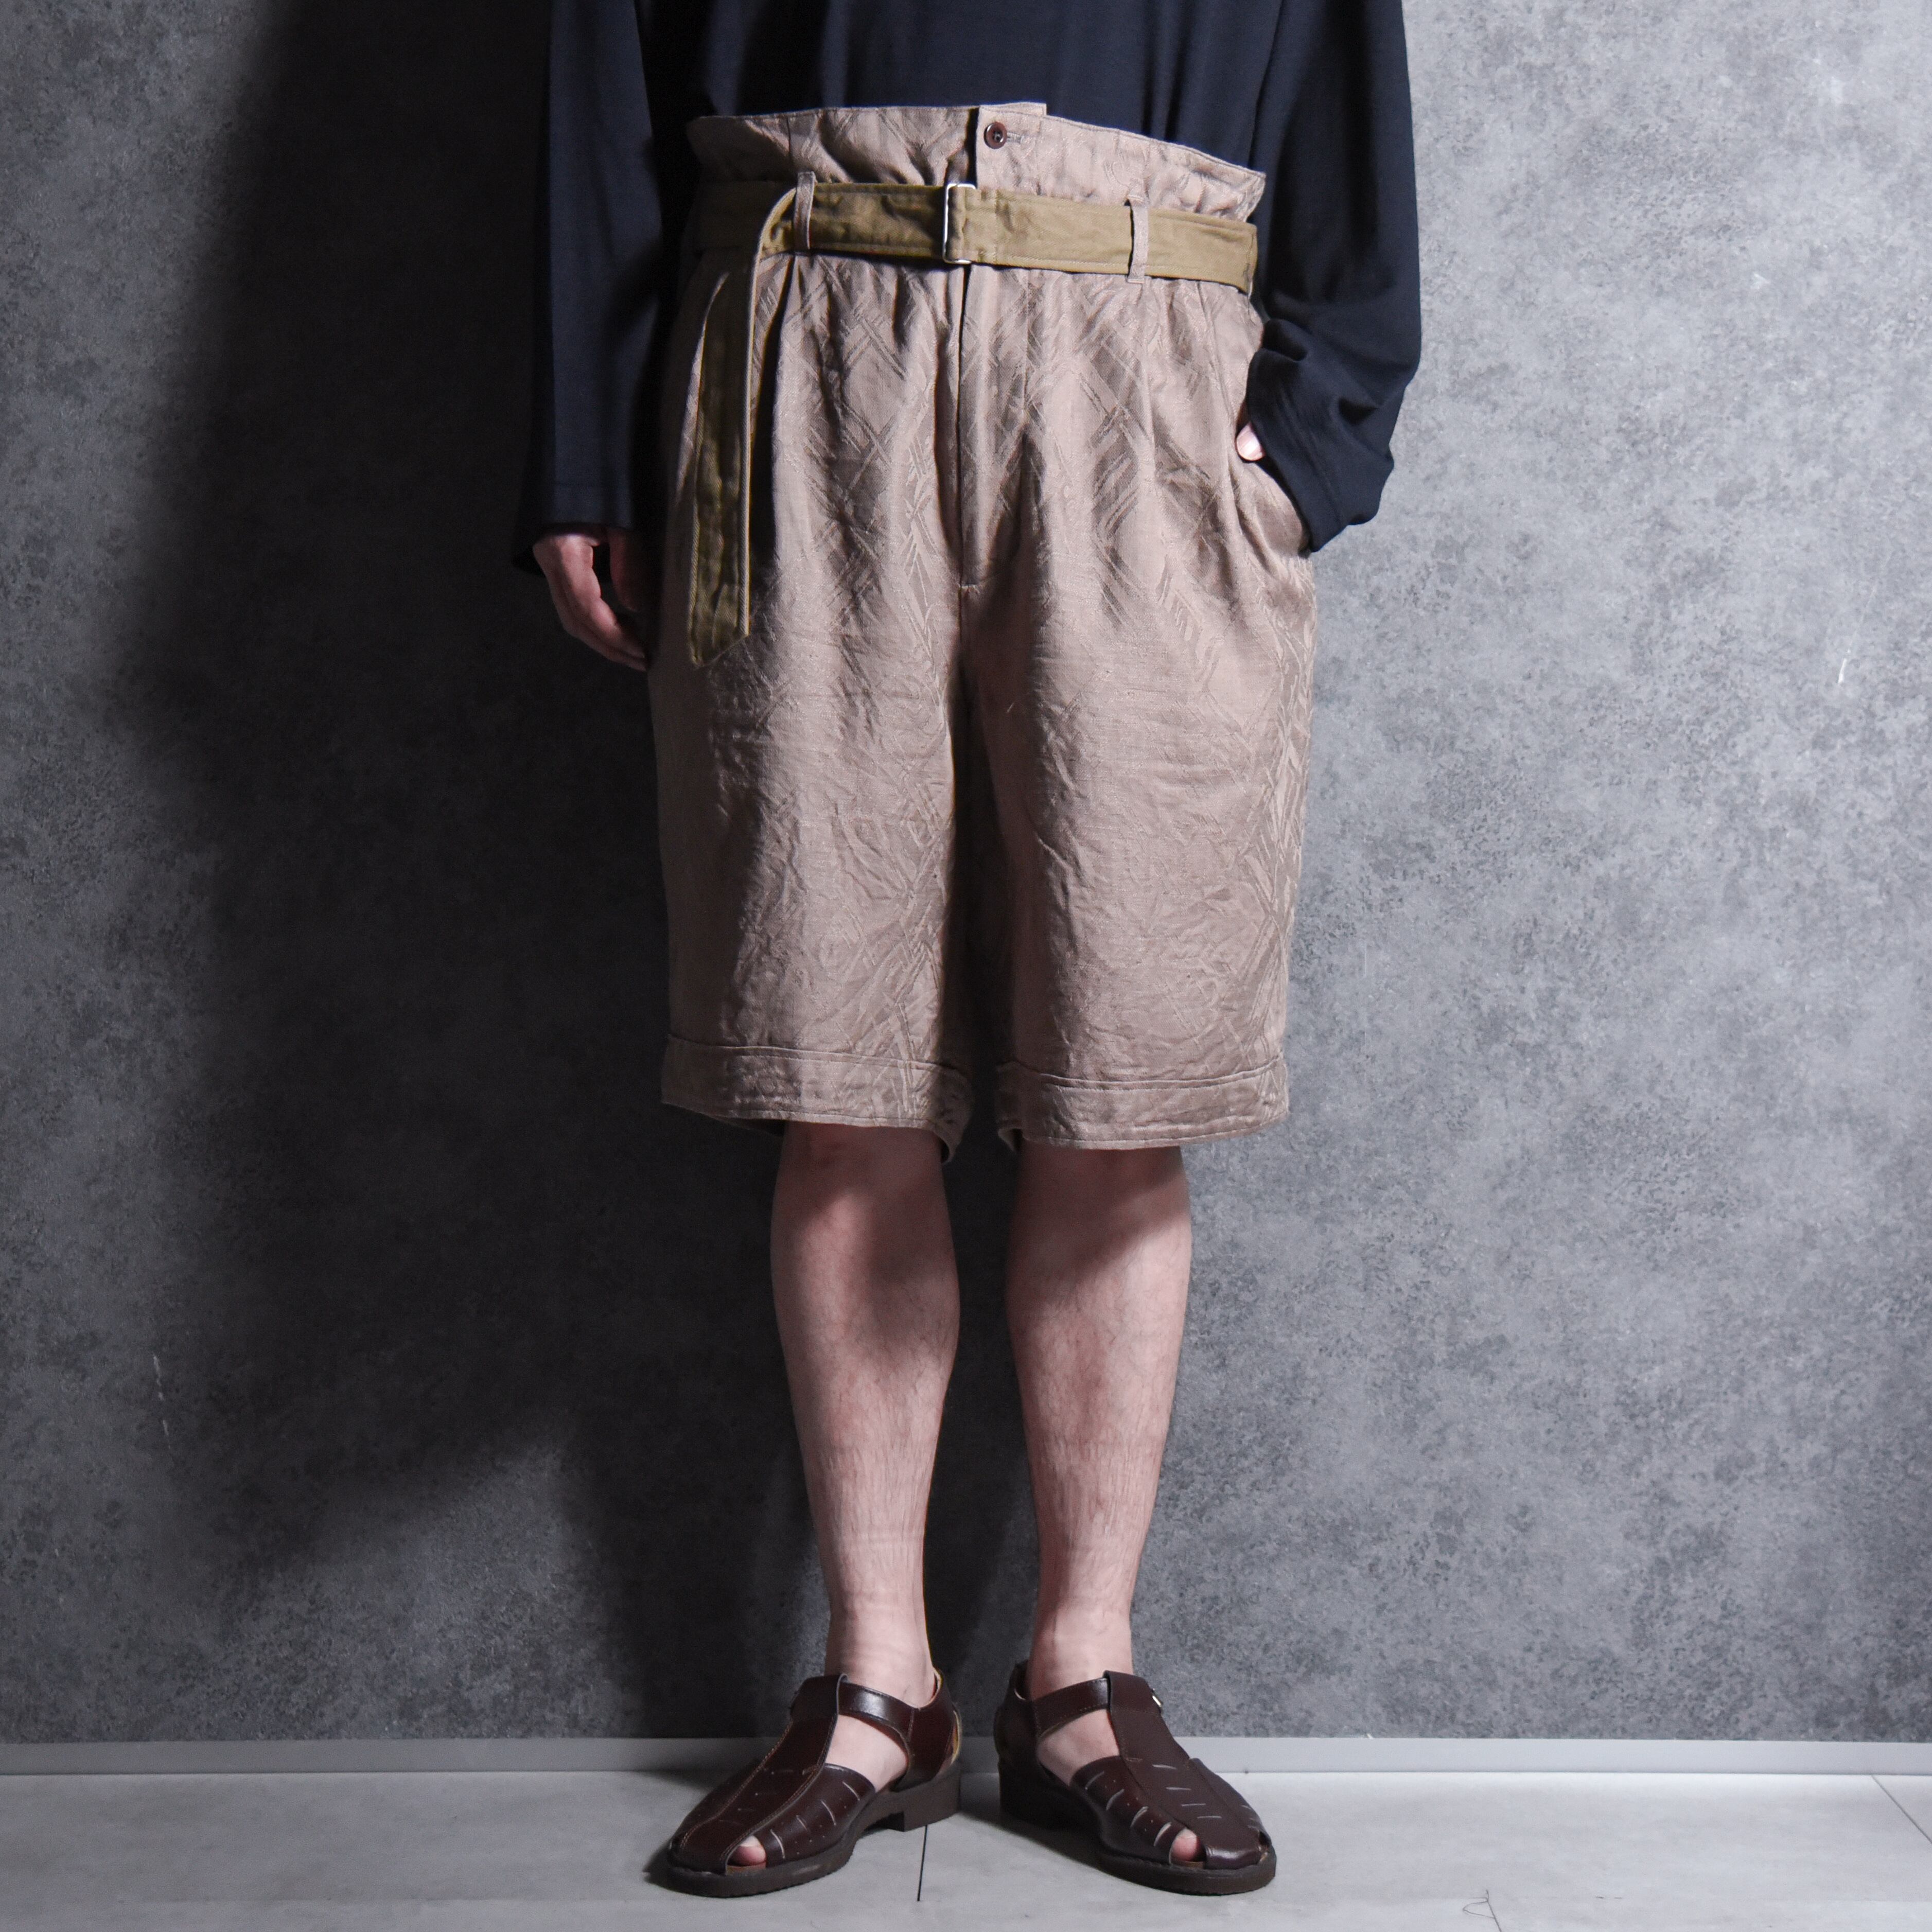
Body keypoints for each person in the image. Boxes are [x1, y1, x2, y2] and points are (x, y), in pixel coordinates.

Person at [518, 0, 1418, 1900]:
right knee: (833, 1060)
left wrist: (1308, 445)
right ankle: (880, 1689)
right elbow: (604, 63)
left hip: (1145, 372)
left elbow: (1348, 84)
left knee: (1121, 1071)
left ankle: (1081, 1677)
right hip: (799, 349)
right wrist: (583, 448)